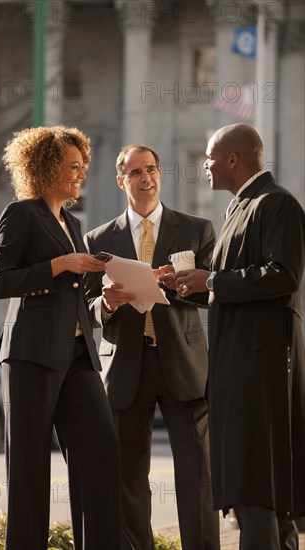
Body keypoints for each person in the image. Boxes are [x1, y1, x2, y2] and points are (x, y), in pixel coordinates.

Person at [160, 123, 305, 550]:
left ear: (232, 160)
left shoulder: (275, 204)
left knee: (256, 486)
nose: (203, 165)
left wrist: (213, 281)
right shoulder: (240, 207)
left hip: (258, 372)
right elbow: (229, 288)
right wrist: (189, 286)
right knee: (253, 490)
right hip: (236, 368)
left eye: (208, 158)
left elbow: (284, 276)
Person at [0, 125, 122, 550]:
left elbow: (75, 292)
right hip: (31, 353)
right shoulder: (22, 213)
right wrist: (59, 264)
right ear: (46, 167)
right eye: (73, 166)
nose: (81, 174)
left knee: (101, 452)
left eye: (83, 166)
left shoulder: (72, 221)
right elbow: (0, 281)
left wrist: (110, 295)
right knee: (29, 471)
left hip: (79, 353)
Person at [83, 144, 220, 550]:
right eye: (137, 172)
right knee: (127, 479)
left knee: (196, 476)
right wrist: (105, 303)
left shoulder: (196, 229)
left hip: (183, 364)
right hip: (125, 368)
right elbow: (87, 308)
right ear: (122, 180)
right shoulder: (99, 238)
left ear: (160, 175)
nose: (147, 178)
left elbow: (211, 293)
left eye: (153, 169)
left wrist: (177, 285)